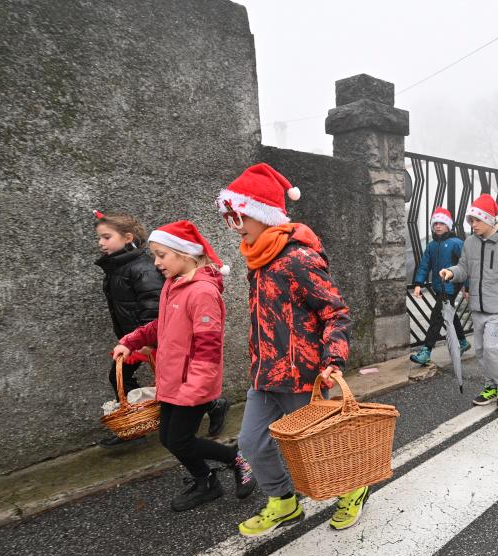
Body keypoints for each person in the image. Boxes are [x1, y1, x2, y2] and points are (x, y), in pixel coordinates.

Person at [217, 163, 367, 536]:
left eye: (238, 216)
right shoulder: (258, 258)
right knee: (251, 443)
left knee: (318, 446)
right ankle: (283, 502)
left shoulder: (298, 258)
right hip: (265, 374)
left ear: (261, 214)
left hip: (304, 376)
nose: (234, 224)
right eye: (229, 217)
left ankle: (352, 488)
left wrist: (334, 359)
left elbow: (336, 312)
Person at [113, 220, 255, 511]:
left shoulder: (202, 292)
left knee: (180, 440)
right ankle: (206, 482)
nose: (156, 262)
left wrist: (196, 388)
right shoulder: (173, 285)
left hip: (192, 383)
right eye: (154, 255)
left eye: (161, 255)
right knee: (168, 438)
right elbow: (160, 326)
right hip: (171, 379)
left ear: (185, 254)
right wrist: (132, 340)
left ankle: (236, 459)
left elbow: (209, 347)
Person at [440, 194, 498, 409]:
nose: (473, 225)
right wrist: (452, 273)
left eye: (477, 220)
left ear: (490, 219)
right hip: (477, 307)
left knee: (491, 347)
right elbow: (464, 268)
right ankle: (491, 385)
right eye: (470, 220)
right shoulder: (470, 243)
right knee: (480, 350)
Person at [94, 210, 164, 448]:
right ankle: (135, 425)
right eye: (99, 238)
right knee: (118, 376)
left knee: (176, 384)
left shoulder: (141, 268)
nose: (101, 243)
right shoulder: (116, 268)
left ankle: (215, 406)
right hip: (133, 339)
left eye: (106, 237)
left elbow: (153, 306)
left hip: (149, 339)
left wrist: (147, 339)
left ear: (127, 237)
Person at [410, 208, 469, 365]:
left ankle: (426, 351)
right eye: (435, 223)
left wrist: (467, 288)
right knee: (449, 313)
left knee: (436, 317)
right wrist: (418, 284)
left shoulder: (456, 243)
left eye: (441, 223)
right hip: (438, 287)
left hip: (451, 286)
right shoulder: (431, 245)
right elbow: (424, 265)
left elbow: (466, 265)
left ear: (448, 225)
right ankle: (463, 341)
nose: (438, 226)